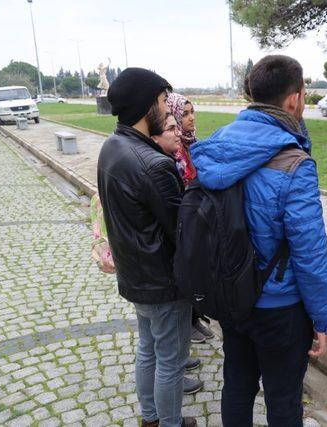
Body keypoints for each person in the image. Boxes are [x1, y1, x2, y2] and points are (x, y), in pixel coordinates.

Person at [190, 55, 327, 426]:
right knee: (283, 398)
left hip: (232, 294)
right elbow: (309, 251)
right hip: (279, 305)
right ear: (295, 99)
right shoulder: (293, 163)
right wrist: (323, 318)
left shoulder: (217, 144)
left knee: (237, 384)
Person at [97, 68, 196, 427]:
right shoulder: (154, 163)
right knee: (170, 359)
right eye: (159, 101)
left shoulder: (112, 145)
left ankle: (151, 418)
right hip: (163, 282)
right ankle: (167, 423)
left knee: (149, 350)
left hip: (136, 276)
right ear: (144, 107)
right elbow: (181, 231)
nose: (165, 107)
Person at [165, 92, 216, 345]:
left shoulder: (193, 143)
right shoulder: (172, 151)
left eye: (192, 112)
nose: (191, 118)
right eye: (184, 114)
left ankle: (195, 317)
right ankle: (187, 322)